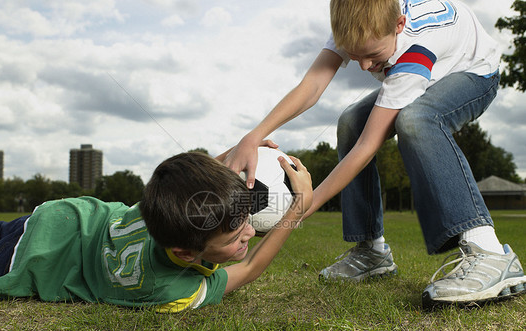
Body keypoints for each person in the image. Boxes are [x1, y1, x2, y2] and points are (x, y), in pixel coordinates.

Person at [224, 0, 526, 307]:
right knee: (352, 121)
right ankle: (372, 251)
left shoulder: (416, 46)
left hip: (473, 73)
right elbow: (312, 86)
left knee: (417, 121)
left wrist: (301, 208)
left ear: (399, 25)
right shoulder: (357, 22)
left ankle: (490, 253)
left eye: (372, 56)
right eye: (355, 56)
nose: (365, 67)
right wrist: (254, 136)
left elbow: (366, 149)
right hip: (432, 70)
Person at [0, 151, 312, 312]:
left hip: (59, 217)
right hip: (28, 260)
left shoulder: (164, 208)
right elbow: (250, 269)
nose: (250, 233)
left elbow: (192, 176)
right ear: (185, 254)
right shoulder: (173, 289)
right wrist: (297, 206)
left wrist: (243, 156)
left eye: (247, 221)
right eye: (236, 238)